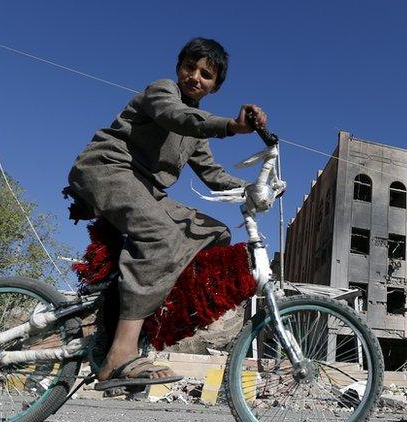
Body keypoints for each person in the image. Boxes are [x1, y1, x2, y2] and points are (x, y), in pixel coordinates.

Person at [66, 37, 267, 391]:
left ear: (215, 86)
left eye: (206, 74)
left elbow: (212, 174)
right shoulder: (161, 92)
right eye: (190, 67)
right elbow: (177, 117)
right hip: (109, 169)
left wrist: (254, 188)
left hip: (146, 190)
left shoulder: (196, 133)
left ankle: (132, 309)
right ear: (179, 68)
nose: (195, 77)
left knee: (215, 233)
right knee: (160, 236)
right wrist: (232, 127)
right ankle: (121, 353)